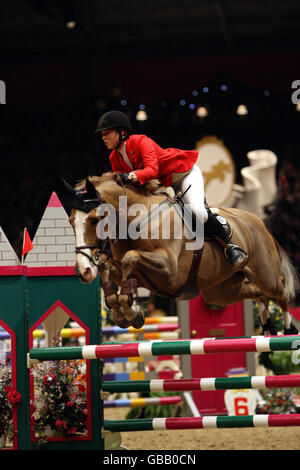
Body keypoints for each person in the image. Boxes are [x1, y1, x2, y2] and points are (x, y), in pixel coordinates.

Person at [95, 110, 247, 269]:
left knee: (197, 211)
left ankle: (230, 246)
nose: (103, 138)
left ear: (122, 132)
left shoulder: (141, 141)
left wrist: (130, 176)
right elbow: (124, 186)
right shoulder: (114, 157)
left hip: (183, 174)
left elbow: (151, 170)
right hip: (162, 185)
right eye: (102, 135)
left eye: (107, 133)